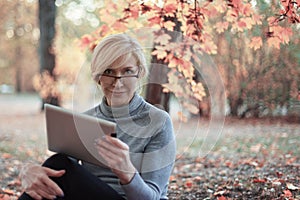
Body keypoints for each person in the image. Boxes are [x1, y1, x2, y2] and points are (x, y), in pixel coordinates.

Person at [18, 33, 176, 200]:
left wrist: (127, 173)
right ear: (98, 77)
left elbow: (152, 197)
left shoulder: (159, 122)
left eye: (127, 71)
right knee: (57, 163)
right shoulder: (86, 121)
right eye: (109, 71)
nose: (118, 82)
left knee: (59, 164)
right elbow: (60, 172)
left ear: (140, 73)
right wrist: (28, 170)